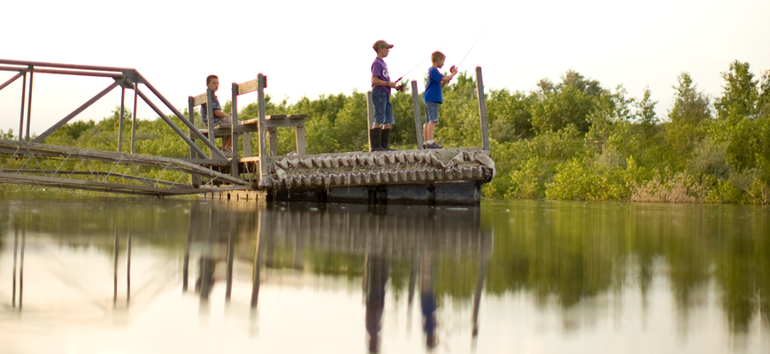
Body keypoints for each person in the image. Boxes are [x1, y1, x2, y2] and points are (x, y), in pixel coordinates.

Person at [370, 40, 404, 152]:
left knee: (389, 120)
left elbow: (385, 81)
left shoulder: (383, 63)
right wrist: (388, 84)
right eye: (386, 48)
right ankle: (376, 147)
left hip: (385, 93)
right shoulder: (377, 63)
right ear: (380, 49)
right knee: (379, 118)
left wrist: (395, 86)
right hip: (379, 92)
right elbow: (375, 80)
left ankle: (384, 146)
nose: (388, 50)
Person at [422, 51, 458, 149]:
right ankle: (430, 142)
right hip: (432, 98)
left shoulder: (431, 71)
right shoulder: (433, 70)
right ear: (438, 60)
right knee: (433, 120)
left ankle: (426, 142)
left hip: (428, 97)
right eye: (443, 61)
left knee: (428, 121)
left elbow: (441, 84)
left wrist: (446, 80)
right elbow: (444, 78)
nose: (443, 63)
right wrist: (453, 74)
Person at [201, 75, 233, 158]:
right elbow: (217, 113)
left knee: (233, 125)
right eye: (213, 83)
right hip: (213, 122)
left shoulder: (209, 96)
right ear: (207, 84)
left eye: (217, 83)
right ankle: (227, 149)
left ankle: (225, 148)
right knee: (237, 124)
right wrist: (230, 117)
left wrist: (227, 117)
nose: (216, 85)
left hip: (210, 122)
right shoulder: (210, 96)